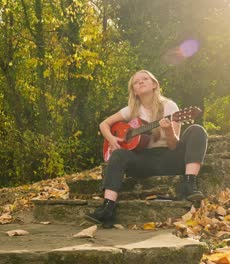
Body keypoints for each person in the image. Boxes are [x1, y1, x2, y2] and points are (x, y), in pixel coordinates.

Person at [85, 70, 208, 228]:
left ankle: (190, 184)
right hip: (143, 161)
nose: (140, 82)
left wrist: (169, 130)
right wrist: (112, 140)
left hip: (168, 158)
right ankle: (107, 208)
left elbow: (173, 145)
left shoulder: (169, 106)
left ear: (154, 84)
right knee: (119, 155)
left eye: (145, 79)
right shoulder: (131, 110)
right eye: (136, 82)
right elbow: (104, 124)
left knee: (197, 130)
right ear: (134, 90)